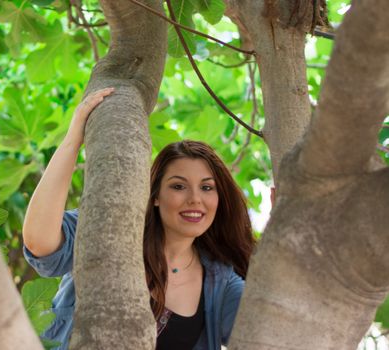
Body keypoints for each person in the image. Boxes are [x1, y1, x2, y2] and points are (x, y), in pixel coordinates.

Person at [22, 87, 256, 350]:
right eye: (178, 186)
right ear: (155, 195)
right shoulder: (111, 227)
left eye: (207, 187)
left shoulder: (221, 283)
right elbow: (39, 242)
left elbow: (270, 331)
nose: (195, 199)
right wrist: (73, 139)